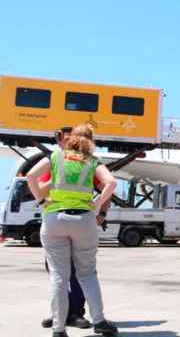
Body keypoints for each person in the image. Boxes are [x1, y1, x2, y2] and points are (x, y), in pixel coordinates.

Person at [27, 124, 119, 337]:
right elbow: (111, 183)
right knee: (87, 273)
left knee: (59, 275)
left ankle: (59, 329)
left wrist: (42, 200)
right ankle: (99, 320)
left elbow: (31, 177)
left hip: (54, 219)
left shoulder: (56, 157)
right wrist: (96, 205)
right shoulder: (92, 161)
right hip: (83, 220)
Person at [40, 127, 91, 330]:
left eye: (70, 139)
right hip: (55, 221)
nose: (66, 142)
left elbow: (105, 183)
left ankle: (76, 313)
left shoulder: (85, 162)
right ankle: (59, 314)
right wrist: (43, 201)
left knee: (78, 272)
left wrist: (101, 212)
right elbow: (37, 185)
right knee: (57, 274)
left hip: (78, 222)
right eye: (64, 139)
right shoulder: (54, 161)